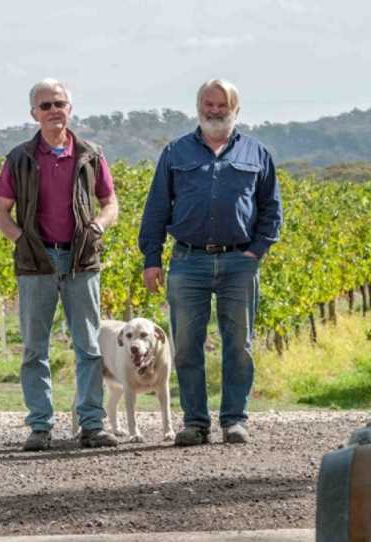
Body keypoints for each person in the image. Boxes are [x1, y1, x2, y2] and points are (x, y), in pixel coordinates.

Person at [138, 79, 283, 446]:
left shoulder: (256, 153)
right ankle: (195, 423)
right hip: (188, 261)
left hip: (239, 262)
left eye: (222, 105)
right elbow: (156, 208)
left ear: (236, 109)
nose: (215, 110)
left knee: (239, 345)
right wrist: (151, 259)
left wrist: (256, 251)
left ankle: (234, 420)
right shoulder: (175, 152)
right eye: (209, 103)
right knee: (186, 345)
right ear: (198, 106)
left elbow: (271, 209)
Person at [0, 78, 120, 451]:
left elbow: (110, 203)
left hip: (81, 258)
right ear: (33, 113)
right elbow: (1, 211)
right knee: (35, 348)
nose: (53, 111)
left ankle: (92, 425)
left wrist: (98, 225)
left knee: (89, 346)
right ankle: (40, 426)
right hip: (37, 261)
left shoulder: (90, 154)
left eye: (59, 104)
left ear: (70, 108)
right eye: (45, 105)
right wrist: (23, 240)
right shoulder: (18, 158)